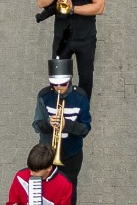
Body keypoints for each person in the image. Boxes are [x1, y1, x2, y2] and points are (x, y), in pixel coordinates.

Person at [37, 0, 106, 98]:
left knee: (86, 79)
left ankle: (82, 112)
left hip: (85, 38)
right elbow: (41, 2)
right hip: (62, 39)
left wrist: (72, 9)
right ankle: (59, 108)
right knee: (58, 78)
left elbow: (99, 8)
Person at [31, 50, 92, 196]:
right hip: (47, 153)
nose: (58, 89)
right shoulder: (44, 96)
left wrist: (67, 125)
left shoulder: (80, 97)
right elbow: (36, 125)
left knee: (69, 189)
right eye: (55, 85)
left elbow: (85, 128)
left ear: (69, 81)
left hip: (71, 154)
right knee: (45, 189)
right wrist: (48, 123)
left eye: (63, 85)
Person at [6, 143, 74, 205]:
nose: (31, 173)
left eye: (36, 171)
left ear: (49, 168)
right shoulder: (20, 176)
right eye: (30, 169)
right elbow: (13, 201)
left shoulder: (65, 184)